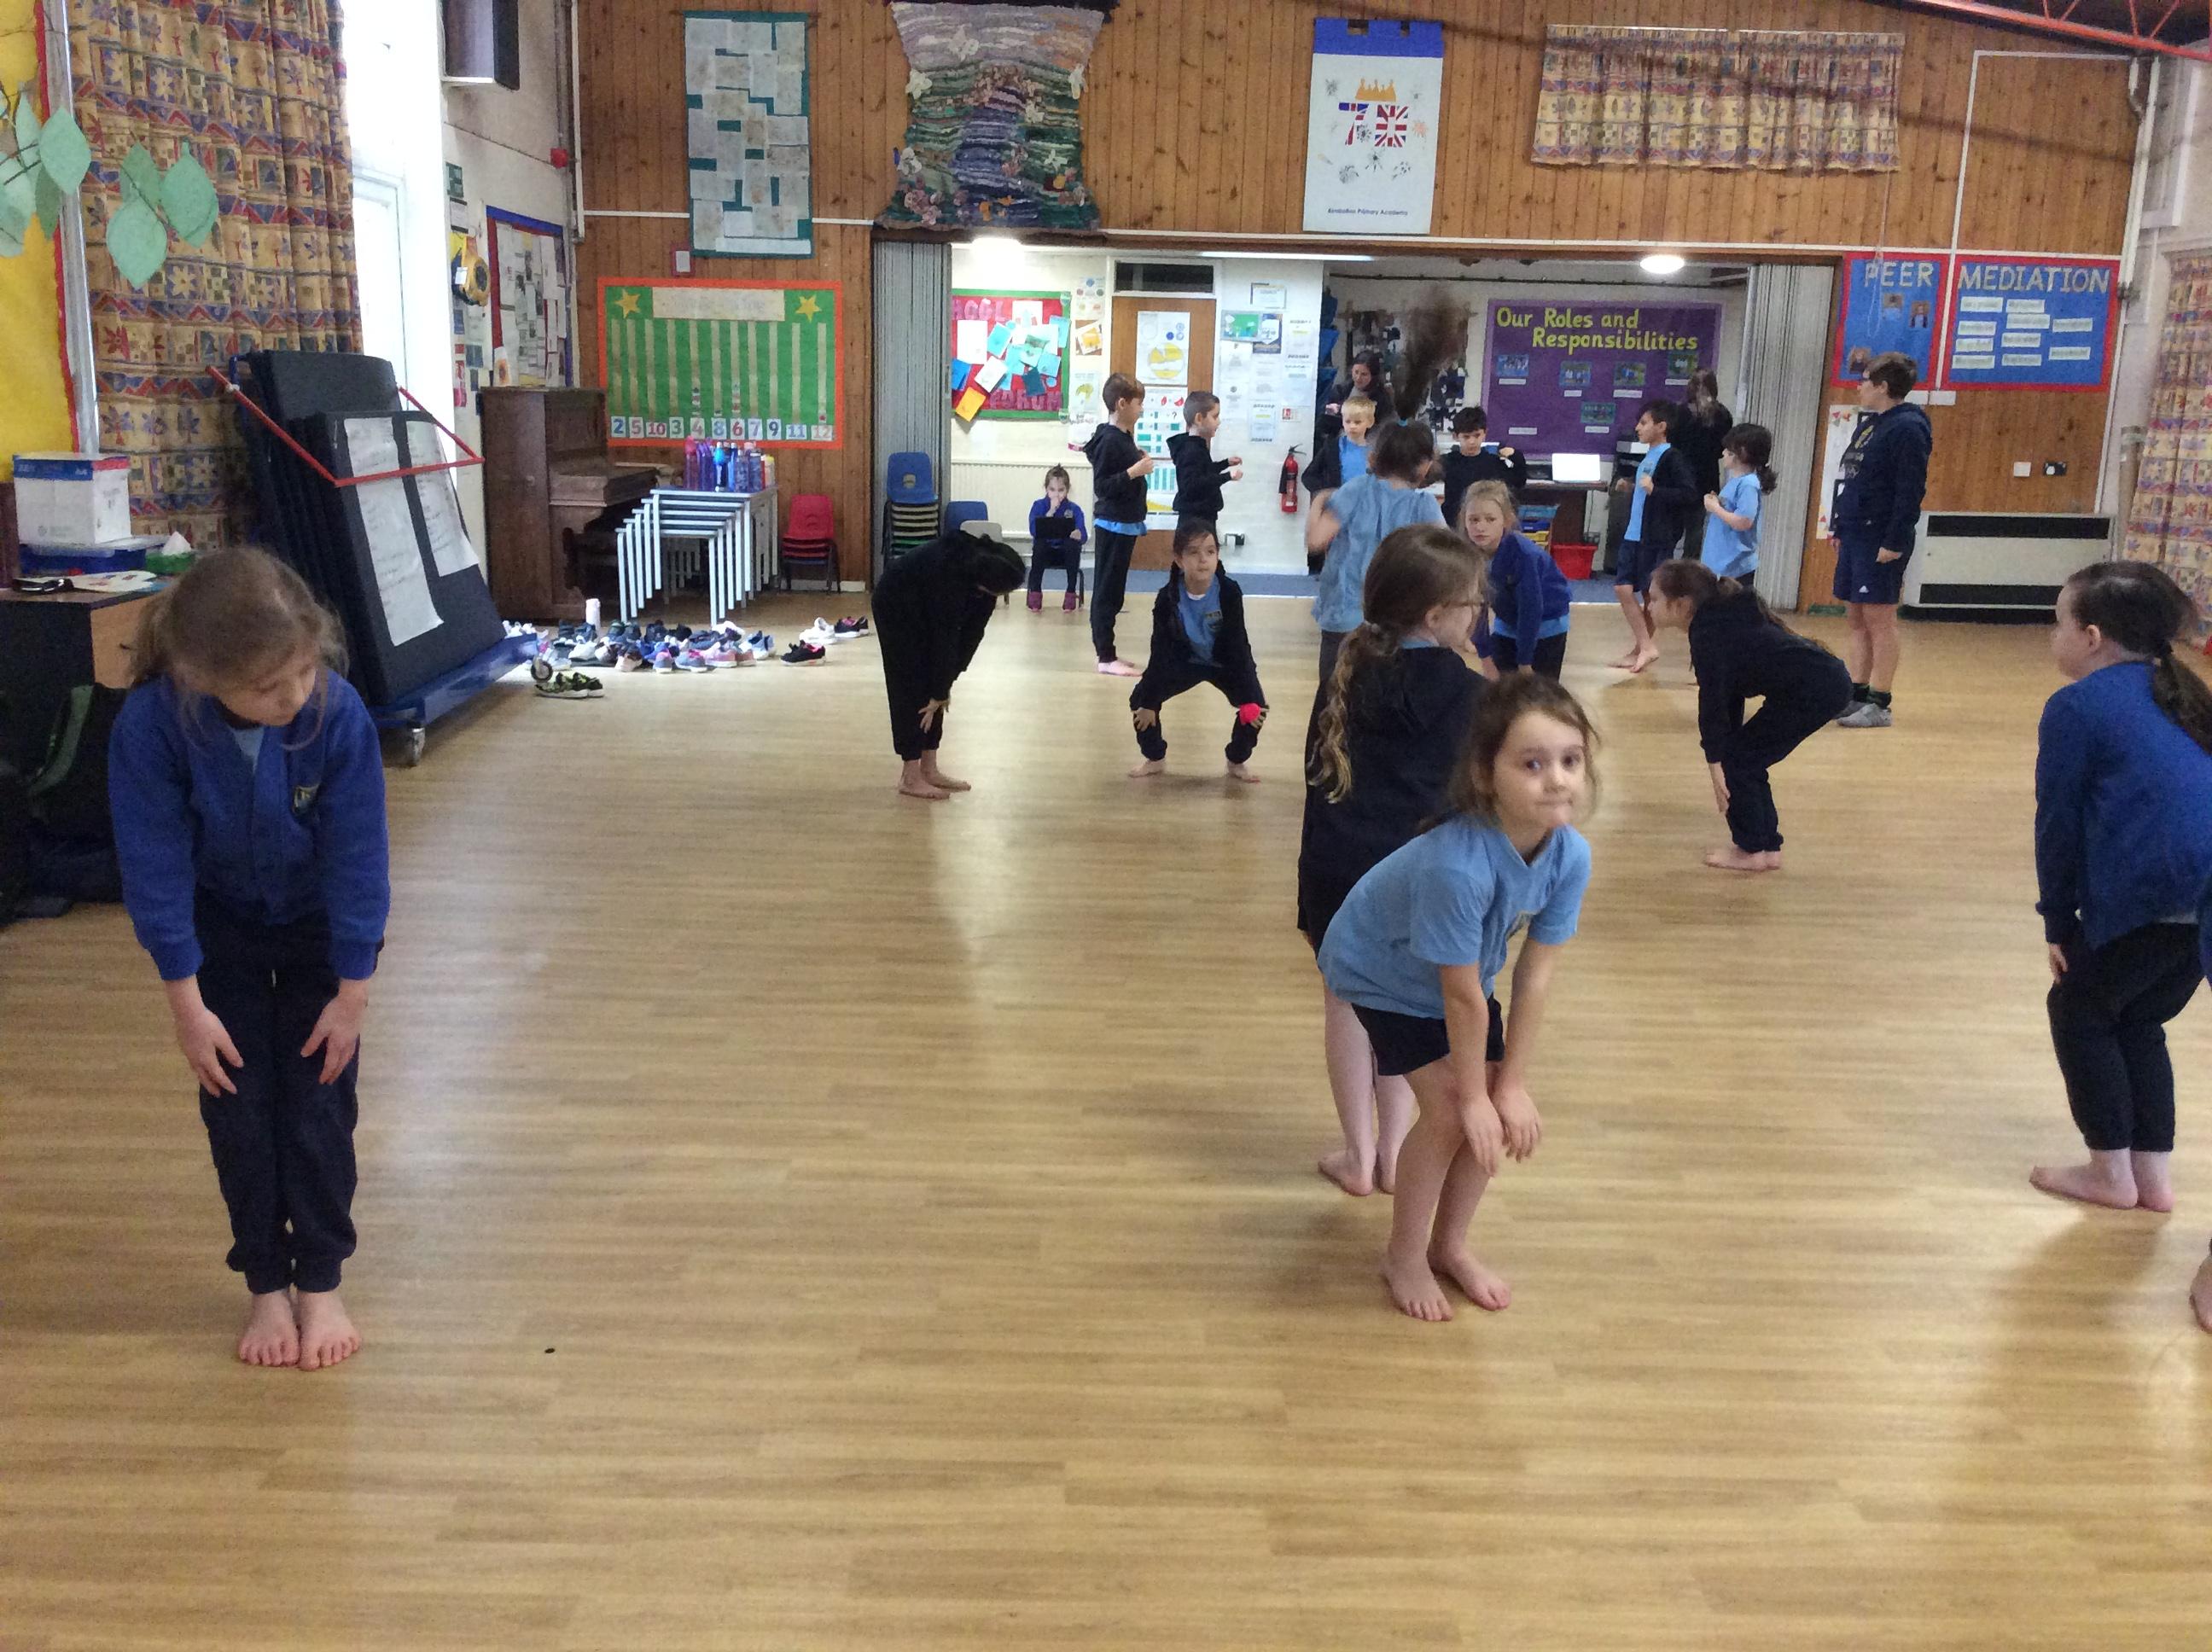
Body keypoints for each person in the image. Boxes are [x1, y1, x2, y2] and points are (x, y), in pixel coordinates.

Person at [107, 547, 390, 1371]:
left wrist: (353, 992)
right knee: (238, 1105)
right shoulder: (152, 727)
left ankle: (321, 1281)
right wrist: (187, 1007)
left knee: (318, 1105)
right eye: (268, 687)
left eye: (304, 670)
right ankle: (266, 1283)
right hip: (217, 929)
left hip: (313, 928)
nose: (294, 696)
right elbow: (154, 868)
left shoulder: (335, 714)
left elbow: (359, 858)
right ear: (200, 676)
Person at [1318, 673, 1596, 1321]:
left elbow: (1535, 976)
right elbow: (1460, 995)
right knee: (1450, 1114)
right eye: (1532, 764)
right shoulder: (1457, 865)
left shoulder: (1570, 856)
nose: (1557, 780)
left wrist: (1511, 1085)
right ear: (1484, 774)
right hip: (1381, 971)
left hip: (1457, 977)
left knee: (1492, 1111)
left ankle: (1449, 1247)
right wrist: (1472, 1097)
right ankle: (1404, 1256)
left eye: (1571, 760)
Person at [2026, 562, 2212, 1266]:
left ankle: (2110, 1172)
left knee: (2078, 1009)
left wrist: (2058, 921)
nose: (2054, 637)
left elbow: (2058, 824)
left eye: (2059, 623)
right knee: (2137, 1018)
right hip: (2201, 900)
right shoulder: (2186, 693)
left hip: (2154, 892)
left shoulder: (2077, 707)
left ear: (2093, 637)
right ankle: (2150, 1177)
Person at [1301, 524, 1487, 1195]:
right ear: (1436, 616)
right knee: (1405, 1007)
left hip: (1340, 874)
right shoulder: (1470, 693)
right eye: (1472, 603)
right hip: (1421, 881)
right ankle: (1390, 1156)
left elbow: (1318, 784)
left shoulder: (1344, 674)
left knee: (1348, 1003)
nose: (1478, 614)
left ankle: (1360, 1155)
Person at [1645, 558, 1853, 872]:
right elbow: (1728, 695)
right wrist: (1720, 753)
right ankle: (1766, 846)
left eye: (1655, 599)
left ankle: (1753, 849)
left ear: (1682, 604)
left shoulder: (1710, 632)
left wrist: (1716, 760)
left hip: (1816, 689)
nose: (1648, 606)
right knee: (1744, 758)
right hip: (1820, 684)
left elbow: (1712, 701)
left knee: (1739, 761)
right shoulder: (1719, 619)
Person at [872, 526, 1027, 800]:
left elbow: (970, 637)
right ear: (984, 582)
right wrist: (937, 690)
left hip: (927, 608)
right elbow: (944, 638)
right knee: (910, 684)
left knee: (937, 689)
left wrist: (944, 687)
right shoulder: (948, 575)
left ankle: (929, 769)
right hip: (896, 604)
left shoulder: (985, 580)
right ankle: (910, 776)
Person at [1831, 352, 1933, 728]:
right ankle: (1856, 694)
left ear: (1883, 387)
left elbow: (1910, 490)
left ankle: (1880, 702)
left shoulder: (1908, 427)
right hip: (1856, 532)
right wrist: (1840, 526)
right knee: (1856, 616)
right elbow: (1854, 480)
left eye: (1864, 381)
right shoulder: (1871, 425)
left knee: (1880, 619)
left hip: (1880, 536)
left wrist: (1894, 540)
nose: (1858, 387)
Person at [1127, 521, 1267, 783]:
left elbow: (1239, 645)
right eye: (1194, 552)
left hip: (1222, 663)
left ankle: (1236, 760)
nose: (1203, 559)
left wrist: (1249, 696)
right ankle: (1155, 757)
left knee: (1256, 708)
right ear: (1179, 560)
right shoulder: (1167, 598)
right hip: (1186, 661)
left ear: (1217, 556)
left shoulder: (1228, 592)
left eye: (1210, 552)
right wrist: (1149, 702)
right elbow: (1159, 651)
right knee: (1140, 701)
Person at [1306, 420, 1445, 679]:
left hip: (1345, 613)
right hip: (1399, 619)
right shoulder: (1425, 504)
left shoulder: (1355, 489)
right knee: (1383, 692)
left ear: (1375, 457)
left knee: (1333, 690)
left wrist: (1318, 501)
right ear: (1425, 465)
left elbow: (1316, 541)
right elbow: (1447, 558)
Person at [1610, 399, 1698, 674]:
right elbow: (1647, 492)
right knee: (1623, 588)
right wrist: (1632, 487)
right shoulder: (1648, 456)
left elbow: (1688, 494)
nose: (1638, 428)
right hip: (1634, 534)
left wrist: (1654, 490)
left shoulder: (1672, 457)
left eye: (1644, 423)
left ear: (1662, 426)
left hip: (1655, 537)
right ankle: (1645, 646)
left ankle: (1642, 649)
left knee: (1650, 595)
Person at [1083, 373, 1155, 677]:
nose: (1142, 409)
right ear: (1122, 404)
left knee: (1114, 591)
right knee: (1107, 591)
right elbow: (1103, 486)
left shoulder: (1122, 437)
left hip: (1124, 522)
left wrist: (1136, 465)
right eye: (1139, 403)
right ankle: (1105, 657)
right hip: (1113, 523)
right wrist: (1134, 471)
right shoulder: (1110, 439)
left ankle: (1109, 652)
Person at [1461, 480, 1569, 678]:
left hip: (1546, 626)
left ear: (1506, 521)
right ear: (1464, 521)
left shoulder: (1525, 556)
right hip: (1507, 621)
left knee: (1538, 691)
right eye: (1473, 520)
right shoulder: (1469, 554)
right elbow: (1477, 608)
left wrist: (1525, 662)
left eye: (1490, 519)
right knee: (1501, 687)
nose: (1480, 527)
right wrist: (1486, 658)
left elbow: (1531, 610)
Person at [1700, 422, 1777, 584]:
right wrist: (1719, 503)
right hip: (1721, 563)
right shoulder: (1737, 481)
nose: (1723, 453)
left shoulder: (1748, 484)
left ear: (1742, 453)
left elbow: (1744, 521)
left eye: (1728, 451)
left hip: (1734, 566)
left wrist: (1715, 508)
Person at [1674, 368, 1734, 561]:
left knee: (1672, 526)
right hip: (1707, 475)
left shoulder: (1681, 412)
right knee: (1695, 528)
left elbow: (1673, 444)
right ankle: (1689, 567)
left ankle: (1668, 568)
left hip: (1681, 474)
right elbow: (1722, 449)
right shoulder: (1723, 414)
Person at [1439, 404, 1528, 530]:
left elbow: (1519, 481)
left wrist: (1515, 455)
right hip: (1454, 525)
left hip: (1484, 525)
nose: (1472, 441)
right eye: (1466, 437)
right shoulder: (1447, 461)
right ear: (1455, 436)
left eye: (1477, 435)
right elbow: (1423, 476)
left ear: (1485, 433)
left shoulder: (1493, 463)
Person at [1300, 392, 1377, 526]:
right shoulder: (1333, 447)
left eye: (1358, 422)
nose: (1352, 426)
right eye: (1348, 421)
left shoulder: (1376, 453)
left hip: (1366, 513)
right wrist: (1328, 492)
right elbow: (1308, 476)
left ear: (1370, 422)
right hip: (1336, 512)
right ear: (1342, 421)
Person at [1168, 391, 1242, 533]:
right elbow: (1193, 484)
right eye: (1215, 416)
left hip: (1203, 515)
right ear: (1199, 419)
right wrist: (1227, 477)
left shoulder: (1197, 445)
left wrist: (1226, 463)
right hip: (1195, 519)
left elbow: (1204, 471)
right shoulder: (1190, 450)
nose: (1219, 422)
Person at [1025, 464, 1088, 614]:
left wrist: (1079, 535)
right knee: (1039, 545)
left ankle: (1070, 593)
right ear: (1046, 489)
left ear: (1067, 490)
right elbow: (1034, 530)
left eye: (1061, 490)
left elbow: (1083, 535)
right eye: (1052, 490)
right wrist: (1051, 511)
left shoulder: (1074, 509)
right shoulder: (1039, 505)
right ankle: (1035, 592)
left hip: (1066, 555)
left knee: (1073, 545)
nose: (1056, 494)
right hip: (1044, 553)